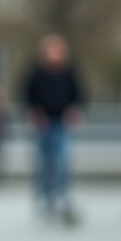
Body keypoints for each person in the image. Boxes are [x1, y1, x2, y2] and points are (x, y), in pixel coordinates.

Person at [22, 34, 82, 225]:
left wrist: (74, 110)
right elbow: (27, 96)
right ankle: (45, 199)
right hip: (43, 124)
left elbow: (79, 96)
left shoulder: (70, 73)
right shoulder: (36, 73)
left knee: (62, 161)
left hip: (60, 124)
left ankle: (63, 196)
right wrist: (33, 112)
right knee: (43, 163)